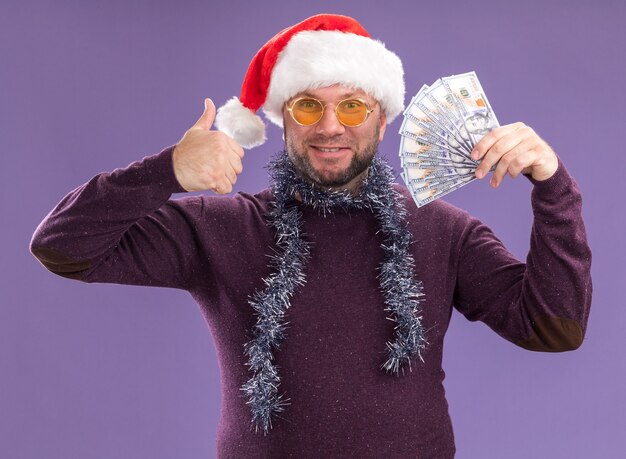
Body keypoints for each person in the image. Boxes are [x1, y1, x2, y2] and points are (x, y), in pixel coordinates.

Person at [30, 14, 592, 459]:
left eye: (352, 106)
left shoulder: (446, 231)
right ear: (283, 117)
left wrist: (553, 186)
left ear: (383, 119)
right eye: (308, 105)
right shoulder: (221, 226)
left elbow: (552, 327)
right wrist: (166, 170)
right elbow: (61, 246)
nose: (329, 126)